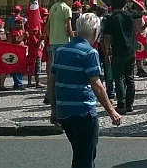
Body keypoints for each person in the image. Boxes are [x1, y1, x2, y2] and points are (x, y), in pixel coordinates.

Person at [49, 13, 122, 167]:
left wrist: (54, 108)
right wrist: (111, 111)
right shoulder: (90, 53)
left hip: (64, 111)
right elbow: (97, 85)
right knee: (85, 157)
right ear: (95, 31)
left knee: (80, 153)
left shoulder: (61, 50)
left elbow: (52, 81)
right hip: (83, 112)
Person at [103, 0, 145, 115]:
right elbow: (143, 11)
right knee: (130, 78)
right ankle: (129, 104)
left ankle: (121, 105)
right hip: (131, 50)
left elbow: (107, 37)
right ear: (124, 3)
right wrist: (132, 0)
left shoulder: (111, 18)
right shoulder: (129, 14)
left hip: (117, 51)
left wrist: (107, 52)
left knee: (119, 78)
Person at [45, 0, 75, 104]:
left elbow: (46, 27)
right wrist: (73, 40)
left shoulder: (53, 7)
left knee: (55, 69)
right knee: (65, 69)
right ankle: (62, 94)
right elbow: (69, 28)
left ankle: (49, 95)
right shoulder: (66, 8)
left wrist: (52, 36)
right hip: (64, 42)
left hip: (54, 42)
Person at [10, 18, 27, 90]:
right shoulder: (14, 32)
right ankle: (18, 83)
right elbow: (16, 41)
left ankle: (19, 82)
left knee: (21, 67)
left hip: (22, 51)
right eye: (18, 23)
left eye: (21, 23)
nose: (20, 24)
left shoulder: (22, 31)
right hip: (16, 51)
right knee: (17, 67)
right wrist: (23, 35)